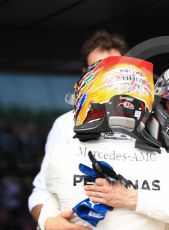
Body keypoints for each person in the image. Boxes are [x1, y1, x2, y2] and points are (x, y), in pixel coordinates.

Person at [80, 59, 169, 230]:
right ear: (160, 99)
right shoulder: (123, 141)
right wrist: (49, 219)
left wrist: (131, 198)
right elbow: (49, 186)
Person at [28, 30, 129, 224]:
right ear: (84, 73)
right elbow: (42, 190)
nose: (106, 77)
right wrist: (49, 222)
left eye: (114, 68)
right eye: (96, 69)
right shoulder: (66, 124)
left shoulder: (151, 123)